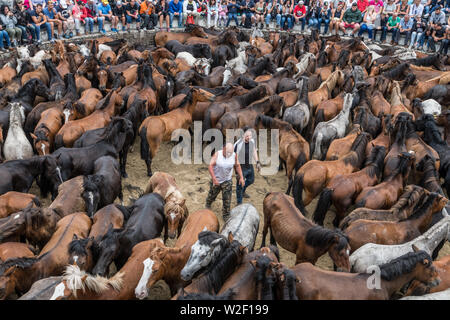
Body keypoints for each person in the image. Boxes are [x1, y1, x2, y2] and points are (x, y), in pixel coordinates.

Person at [206, 143, 245, 222]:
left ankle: (226, 215)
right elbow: (210, 166)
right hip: (216, 180)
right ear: (223, 149)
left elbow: (237, 165)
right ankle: (208, 203)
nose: (229, 154)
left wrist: (241, 177)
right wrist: (214, 179)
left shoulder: (234, 155)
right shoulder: (217, 154)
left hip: (227, 181)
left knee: (227, 199)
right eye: (228, 152)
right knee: (212, 194)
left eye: (231, 152)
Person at [234, 129, 261, 205]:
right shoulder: (238, 144)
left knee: (251, 180)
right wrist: (236, 173)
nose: (249, 137)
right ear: (243, 135)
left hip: (249, 165)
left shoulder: (252, 141)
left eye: (250, 135)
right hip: (241, 167)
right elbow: (234, 159)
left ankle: (242, 191)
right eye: (247, 136)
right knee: (239, 185)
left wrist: (257, 162)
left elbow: (254, 151)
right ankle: (239, 203)